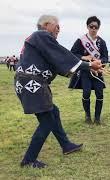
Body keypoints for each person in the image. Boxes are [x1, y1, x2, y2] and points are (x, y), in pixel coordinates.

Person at [14, 15, 103, 168]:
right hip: (32, 83)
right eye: (57, 26)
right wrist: (89, 65)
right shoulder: (41, 35)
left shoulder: (37, 40)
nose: (59, 29)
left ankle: (66, 145)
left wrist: (87, 66)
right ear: (46, 24)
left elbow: (57, 62)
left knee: (53, 112)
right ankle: (29, 160)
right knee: (47, 120)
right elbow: (62, 56)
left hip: (29, 82)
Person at [68, 16, 108, 125]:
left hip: (98, 72)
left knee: (100, 94)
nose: (93, 29)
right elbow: (73, 54)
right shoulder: (81, 41)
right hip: (85, 71)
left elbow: (105, 57)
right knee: (86, 93)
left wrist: (100, 63)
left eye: (96, 27)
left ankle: (97, 118)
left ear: (98, 28)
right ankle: (87, 116)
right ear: (87, 27)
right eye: (91, 26)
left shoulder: (102, 42)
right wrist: (84, 57)